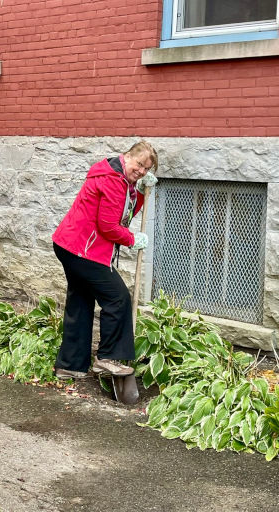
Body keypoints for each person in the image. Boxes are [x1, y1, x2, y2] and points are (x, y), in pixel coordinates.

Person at [52, 141, 158, 380]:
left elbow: (124, 212)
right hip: (82, 250)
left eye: (146, 170)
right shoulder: (113, 181)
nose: (141, 172)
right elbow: (109, 226)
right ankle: (107, 358)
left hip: (71, 245)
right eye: (139, 164)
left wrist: (140, 192)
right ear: (127, 156)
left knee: (81, 300)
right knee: (118, 298)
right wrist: (132, 239)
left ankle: (70, 365)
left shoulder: (121, 180)